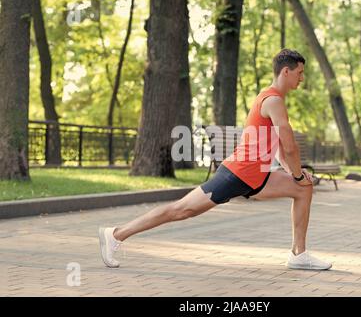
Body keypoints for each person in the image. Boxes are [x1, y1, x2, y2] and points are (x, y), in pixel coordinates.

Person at [99, 49, 332, 271]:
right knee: (181, 210)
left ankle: (298, 254)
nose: (302, 78)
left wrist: (296, 177)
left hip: (256, 176)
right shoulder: (273, 101)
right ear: (286, 72)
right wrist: (298, 174)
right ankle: (116, 234)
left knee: (303, 189)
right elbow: (290, 148)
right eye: (300, 73)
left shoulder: (273, 99)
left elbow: (281, 149)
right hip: (236, 175)